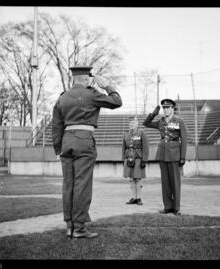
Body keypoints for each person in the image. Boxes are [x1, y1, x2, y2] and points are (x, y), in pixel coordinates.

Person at [52, 65, 122, 239]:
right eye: (89, 79)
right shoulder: (91, 94)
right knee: (82, 185)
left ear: (74, 79)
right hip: (84, 140)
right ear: (85, 79)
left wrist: (58, 148)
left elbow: (56, 125)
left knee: (68, 185)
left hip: (66, 142)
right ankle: (80, 228)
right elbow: (117, 102)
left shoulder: (63, 97)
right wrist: (107, 86)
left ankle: (69, 226)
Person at [143, 99, 187, 216]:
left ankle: (176, 208)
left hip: (175, 154)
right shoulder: (160, 122)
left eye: (168, 107)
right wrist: (153, 114)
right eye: (164, 108)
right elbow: (146, 124)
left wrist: (182, 157)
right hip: (162, 154)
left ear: (173, 108)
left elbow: (184, 140)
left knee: (175, 183)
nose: (165, 110)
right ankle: (167, 207)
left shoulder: (179, 121)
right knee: (165, 183)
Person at [122, 116, 149, 205]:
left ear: (137, 124)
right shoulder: (126, 134)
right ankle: (133, 197)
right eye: (130, 123)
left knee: (138, 178)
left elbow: (145, 147)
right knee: (131, 178)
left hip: (138, 158)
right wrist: (123, 159)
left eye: (133, 123)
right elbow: (123, 148)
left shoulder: (141, 133)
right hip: (129, 158)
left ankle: (139, 198)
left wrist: (144, 160)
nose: (131, 124)